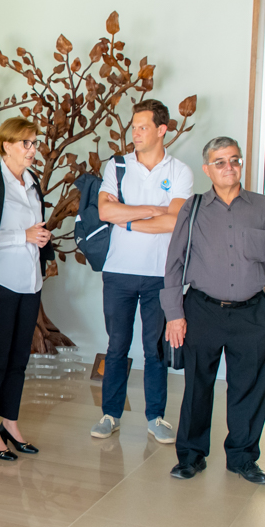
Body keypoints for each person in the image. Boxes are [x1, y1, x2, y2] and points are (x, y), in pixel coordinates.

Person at [162, 136, 265, 483]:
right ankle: (191, 456)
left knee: (249, 389)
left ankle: (243, 459)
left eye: (234, 160)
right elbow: (174, 263)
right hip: (202, 310)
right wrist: (174, 313)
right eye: (220, 162)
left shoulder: (264, 208)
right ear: (207, 169)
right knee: (197, 387)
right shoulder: (193, 209)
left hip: (253, 314)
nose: (229, 167)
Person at [91, 99, 194, 444]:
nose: (135, 133)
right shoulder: (117, 166)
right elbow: (106, 213)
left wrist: (129, 218)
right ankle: (110, 414)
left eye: (143, 127)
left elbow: (175, 221)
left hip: (160, 275)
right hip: (118, 271)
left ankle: (156, 417)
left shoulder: (179, 171)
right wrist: (153, 210)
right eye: (133, 127)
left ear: (162, 130)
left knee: (155, 349)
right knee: (117, 346)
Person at [0, 117, 52, 459]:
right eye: (25, 143)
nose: (32, 150)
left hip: (30, 281)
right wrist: (24, 236)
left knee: (19, 357)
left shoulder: (32, 184)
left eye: (34, 143)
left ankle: (10, 423)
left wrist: (41, 239)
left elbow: (36, 228)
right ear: (6, 145)